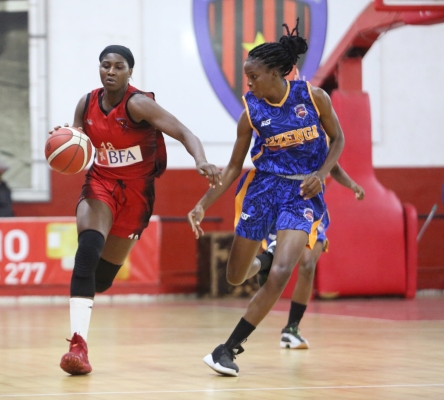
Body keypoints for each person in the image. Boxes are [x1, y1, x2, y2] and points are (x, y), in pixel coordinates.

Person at [187, 21, 344, 377]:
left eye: (254, 77)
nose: (249, 85)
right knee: (235, 275)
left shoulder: (314, 98)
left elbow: (338, 140)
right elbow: (230, 169)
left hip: (300, 192)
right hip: (263, 189)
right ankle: (265, 258)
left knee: (285, 270)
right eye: (248, 79)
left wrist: (321, 175)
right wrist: (202, 204)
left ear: (275, 73)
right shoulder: (250, 114)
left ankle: (228, 349)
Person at [53, 45, 221, 376]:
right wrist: (63, 140)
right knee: (86, 253)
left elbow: (186, 132)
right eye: (105, 66)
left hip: (136, 196)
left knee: (101, 281)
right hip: (99, 185)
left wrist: (200, 160)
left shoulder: (139, 104)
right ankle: (77, 346)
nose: (111, 71)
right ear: (99, 69)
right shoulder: (86, 103)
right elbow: (78, 143)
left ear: (130, 72)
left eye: (118, 66)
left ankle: (91, 292)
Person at [250, 162, 364, 349]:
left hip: (312, 208)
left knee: (308, 264)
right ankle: (264, 266)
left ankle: (292, 328)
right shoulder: (276, 134)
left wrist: (352, 185)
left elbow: (332, 166)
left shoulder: (322, 136)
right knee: (277, 267)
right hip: (282, 203)